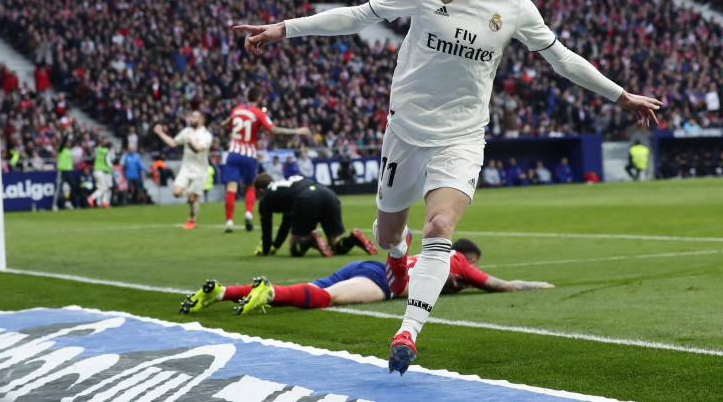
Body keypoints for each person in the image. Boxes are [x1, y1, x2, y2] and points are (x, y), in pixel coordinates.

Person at [234, 0, 662, 374]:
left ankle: (408, 331)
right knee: (387, 234)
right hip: (405, 132)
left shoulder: (515, 6)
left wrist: (620, 96)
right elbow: (358, 17)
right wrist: (284, 28)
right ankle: (397, 260)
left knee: (439, 229)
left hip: (462, 136)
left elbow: (561, 59)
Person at [180, 237, 553, 315]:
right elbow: (498, 286)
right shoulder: (458, 262)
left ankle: (223, 291)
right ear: (467, 256)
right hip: (385, 281)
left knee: (315, 288)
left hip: (369, 266)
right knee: (325, 299)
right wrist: (536, 285)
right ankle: (270, 294)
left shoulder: (436, 255)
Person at [221, 87, 310, 233]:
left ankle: (229, 221)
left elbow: (227, 122)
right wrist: (296, 131)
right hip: (248, 154)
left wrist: (224, 124)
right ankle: (248, 213)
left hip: (233, 153)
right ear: (258, 99)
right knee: (249, 186)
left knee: (231, 188)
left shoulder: (236, 109)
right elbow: (274, 130)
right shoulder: (258, 113)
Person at [252, 173, 378, 258]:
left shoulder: (267, 197)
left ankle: (311, 241)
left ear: (261, 190)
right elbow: (286, 223)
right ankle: (352, 239)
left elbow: (266, 227)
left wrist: (266, 249)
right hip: (328, 194)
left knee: (294, 250)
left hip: (306, 199)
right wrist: (275, 246)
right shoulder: (286, 185)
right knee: (335, 244)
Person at [154, 111, 213, 229]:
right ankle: (193, 195)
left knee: (191, 198)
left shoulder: (206, 135)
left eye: (194, 117)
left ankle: (192, 219)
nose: (191, 119)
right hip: (186, 168)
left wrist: (190, 144)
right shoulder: (187, 131)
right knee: (176, 193)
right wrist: (160, 133)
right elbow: (173, 143)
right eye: (191, 116)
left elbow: (198, 149)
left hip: (200, 171)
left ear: (201, 120)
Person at [87, 136, 114, 209]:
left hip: (95, 170)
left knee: (100, 187)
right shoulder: (106, 151)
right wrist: (112, 168)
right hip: (101, 171)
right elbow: (108, 161)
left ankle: (102, 203)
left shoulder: (98, 150)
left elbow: (92, 153)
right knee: (104, 188)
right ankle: (91, 198)